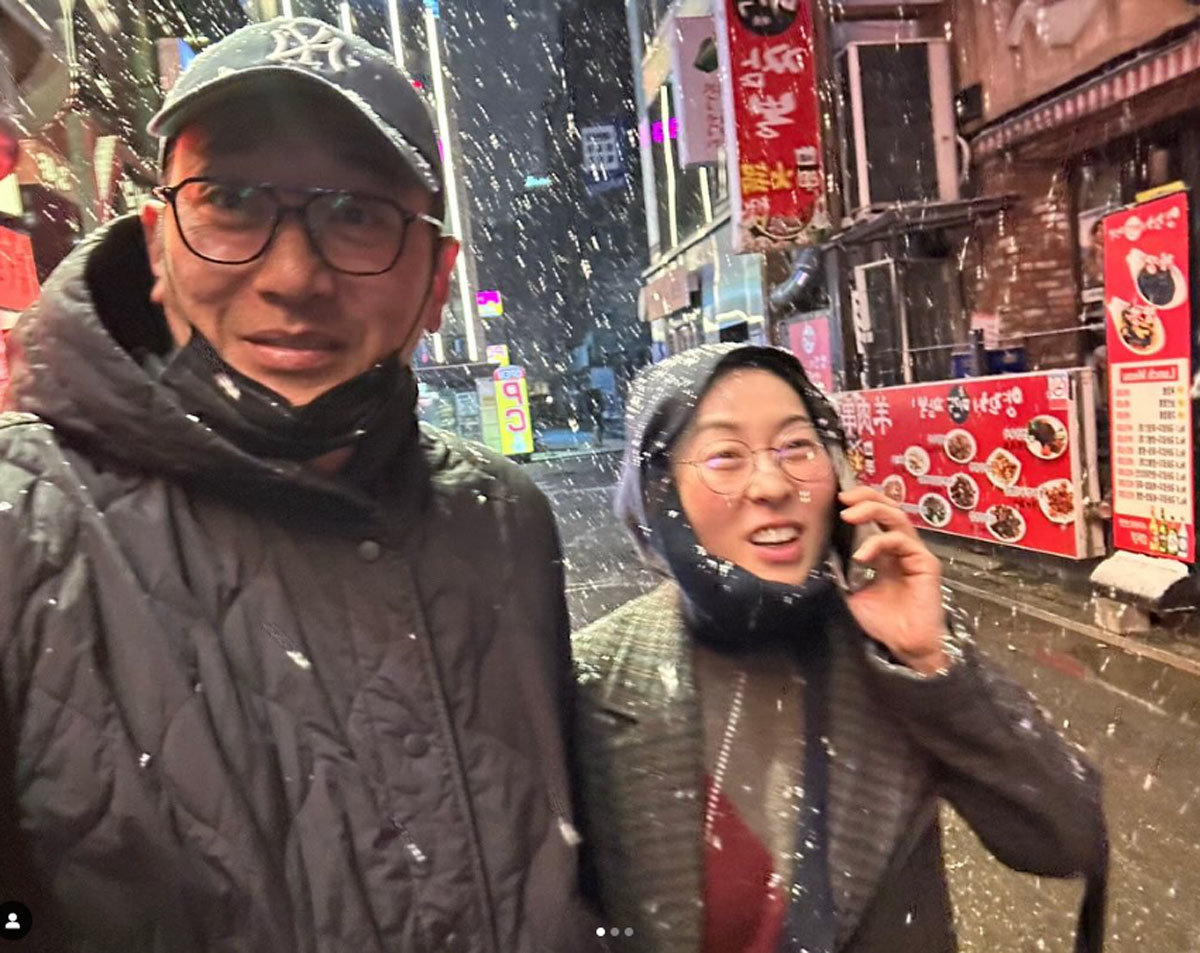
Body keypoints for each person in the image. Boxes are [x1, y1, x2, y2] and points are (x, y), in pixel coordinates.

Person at [0, 18, 599, 953]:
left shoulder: (501, 520)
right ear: (157, 243)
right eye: (231, 200)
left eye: (357, 214)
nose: (292, 276)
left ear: (437, 278)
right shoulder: (21, 533)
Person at [572, 344, 1108, 953]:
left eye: (798, 447)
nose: (773, 484)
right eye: (724, 456)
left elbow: (1068, 841)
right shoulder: (589, 677)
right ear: (658, 492)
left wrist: (932, 660)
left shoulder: (888, 655)